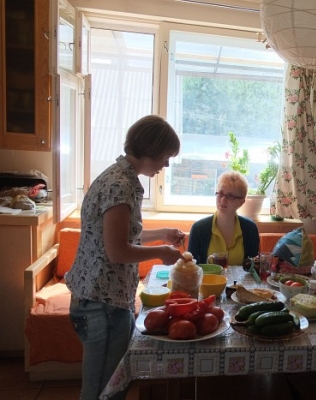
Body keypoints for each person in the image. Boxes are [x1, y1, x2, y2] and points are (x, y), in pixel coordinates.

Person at [65, 115, 185, 400]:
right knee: (104, 391)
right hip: (102, 303)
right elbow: (117, 251)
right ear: (152, 150)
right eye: (166, 157)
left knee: (110, 387)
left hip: (100, 299)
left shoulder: (117, 176)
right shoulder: (121, 185)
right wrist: (161, 253)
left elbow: (118, 236)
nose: (166, 165)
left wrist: (161, 235)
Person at [188, 170, 259, 266]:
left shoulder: (250, 229)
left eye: (230, 196)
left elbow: (253, 267)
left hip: (240, 277)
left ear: (241, 202)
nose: (223, 200)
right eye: (220, 194)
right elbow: (191, 267)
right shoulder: (198, 228)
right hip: (207, 276)